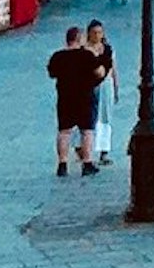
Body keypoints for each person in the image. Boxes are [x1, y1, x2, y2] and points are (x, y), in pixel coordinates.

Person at [48, 24, 101, 175]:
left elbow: (52, 74)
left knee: (64, 131)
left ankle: (62, 164)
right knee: (87, 131)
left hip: (65, 97)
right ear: (79, 39)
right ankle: (87, 163)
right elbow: (98, 72)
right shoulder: (87, 55)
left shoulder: (57, 56)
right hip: (85, 96)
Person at [85, 19, 119, 169]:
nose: (97, 35)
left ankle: (104, 150)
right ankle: (86, 151)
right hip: (90, 85)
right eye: (94, 33)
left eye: (99, 32)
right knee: (88, 116)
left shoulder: (108, 49)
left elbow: (114, 70)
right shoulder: (85, 50)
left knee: (105, 116)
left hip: (106, 85)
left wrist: (116, 88)